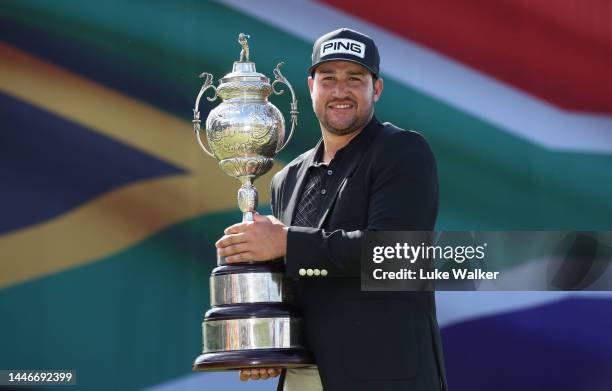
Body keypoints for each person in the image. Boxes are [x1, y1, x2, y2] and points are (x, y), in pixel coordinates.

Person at [216, 28, 447, 391]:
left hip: (384, 378)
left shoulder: (402, 152)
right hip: (304, 378)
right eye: (329, 79)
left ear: (377, 89)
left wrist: (286, 243)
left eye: (354, 78)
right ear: (311, 87)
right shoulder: (287, 178)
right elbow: (300, 287)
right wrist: (266, 343)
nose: (340, 91)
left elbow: (395, 253)